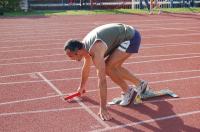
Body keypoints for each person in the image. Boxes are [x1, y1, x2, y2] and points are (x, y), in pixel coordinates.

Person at [64, 23, 150, 121]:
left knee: (109, 68)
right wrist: (82, 86)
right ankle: (140, 84)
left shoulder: (95, 49)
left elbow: (102, 80)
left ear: (78, 52)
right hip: (122, 35)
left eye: (71, 56)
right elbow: (86, 67)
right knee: (113, 66)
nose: (71, 59)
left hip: (131, 37)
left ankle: (128, 91)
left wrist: (103, 108)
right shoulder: (84, 47)